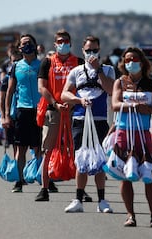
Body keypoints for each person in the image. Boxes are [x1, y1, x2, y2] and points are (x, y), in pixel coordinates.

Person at [61, 35, 115, 213]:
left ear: (99, 51)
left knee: (100, 160)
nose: (91, 53)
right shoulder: (76, 72)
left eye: (95, 50)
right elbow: (64, 94)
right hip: (80, 119)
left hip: (100, 120)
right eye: (88, 50)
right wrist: (78, 100)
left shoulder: (107, 70)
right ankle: (78, 199)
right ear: (82, 51)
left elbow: (110, 90)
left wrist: (98, 69)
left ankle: (102, 200)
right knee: (81, 159)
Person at [111, 47, 152, 227]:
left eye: (134, 59)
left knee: (148, 174)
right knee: (126, 175)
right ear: (123, 63)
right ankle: (130, 215)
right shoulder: (120, 82)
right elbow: (115, 105)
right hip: (124, 133)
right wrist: (131, 105)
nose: (131, 62)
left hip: (143, 135)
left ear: (142, 62)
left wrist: (147, 109)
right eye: (127, 60)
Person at [34, 29, 81, 201]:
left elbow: (84, 86)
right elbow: (42, 87)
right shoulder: (47, 62)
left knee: (78, 151)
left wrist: (73, 102)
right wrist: (56, 103)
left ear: (70, 43)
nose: (63, 44)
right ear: (55, 44)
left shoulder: (78, 62)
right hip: (53, 112)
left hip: (75, 111)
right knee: (47, 150)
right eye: (60, 41)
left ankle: (80, 191)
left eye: (66, 41)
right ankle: (44, 188)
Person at [3, 34, 42, 193]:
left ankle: (43, 180)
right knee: (21, 148)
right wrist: (6, 114)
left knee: (40, 148)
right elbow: (10, 91)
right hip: (21, 111)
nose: (27, 46)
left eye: (30, 43)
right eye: (24, 44)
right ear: (19, 48)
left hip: (40, 111)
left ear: (35, 44)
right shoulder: (16, 66)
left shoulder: (43, 64)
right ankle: (19, 181)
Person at [0, 47, 22, 154]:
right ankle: (17, 166)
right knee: (15, 145)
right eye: (14, 61)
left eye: (18, 61)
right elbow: (1, 99)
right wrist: (3, 117)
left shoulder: (25, 77)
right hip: (11, 115)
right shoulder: (6, 79)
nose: (16, 64)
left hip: (24, 112)